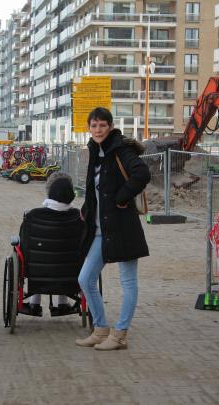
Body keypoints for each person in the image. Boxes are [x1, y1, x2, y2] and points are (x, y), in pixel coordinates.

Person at [76, 107, 150, 351]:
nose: (98, 130)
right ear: (89, 127)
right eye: (94, 125)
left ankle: (119, 335)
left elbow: (141, 173)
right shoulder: (95, 151)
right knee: (85, 279)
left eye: (102, 125)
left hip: (124, 227)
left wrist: (122, 197)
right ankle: (100, 329)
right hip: (100, 228)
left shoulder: (120, 149)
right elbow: (94, 188)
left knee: (128, 281)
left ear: (110, 126)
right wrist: (87, 208)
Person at [19, 172, 84, 317]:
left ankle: (35, 303)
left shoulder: (32, 216)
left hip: (37, 270)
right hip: (70, 269)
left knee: (37, 256)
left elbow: (24, 246)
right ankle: (62, 302)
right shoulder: (78, 217)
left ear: (49, 192)